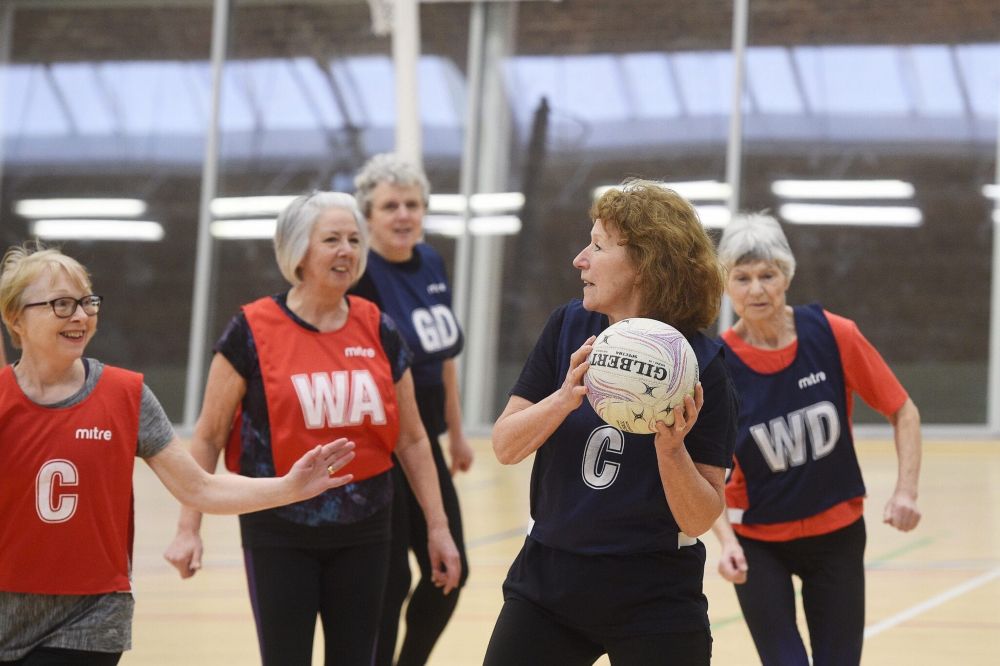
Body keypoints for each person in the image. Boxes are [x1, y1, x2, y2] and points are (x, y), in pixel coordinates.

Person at [0, 243, 357, 665]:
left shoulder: (125, 396)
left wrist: (288, 488)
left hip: (90, 615)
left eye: (86, 302)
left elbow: (200, 488)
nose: (80, 316)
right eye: (61, 305)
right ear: (16, 319)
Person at [162, 192, 461, 666]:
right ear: (298, 250)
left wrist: (438, 528)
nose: (347, 250)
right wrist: (187, 528)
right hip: (278, 524)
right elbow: (209, 435)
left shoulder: (379, 328)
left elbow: (412, 438)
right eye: (332, 240)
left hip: (367, 526)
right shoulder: (250, 329)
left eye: (354, 240)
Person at [483, 179, 739, 666]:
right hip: (550, 580)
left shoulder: (700, 366)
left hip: (654, 591)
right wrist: (563, 398)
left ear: (645, 264)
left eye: (598, 247)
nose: (580, 259)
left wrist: (671, 449)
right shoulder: (568, 328)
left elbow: (699, 518)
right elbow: (505, 446)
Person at [710, 212, 922, 666]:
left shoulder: (833, 334)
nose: (756, 289)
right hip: (757, 541)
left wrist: (906, 490)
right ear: (727, 286)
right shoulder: (718, 366)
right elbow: (701, 465)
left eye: (767, 275)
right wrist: (725, 539)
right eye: (742, 278)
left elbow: (902, 409)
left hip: (837, 534)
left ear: (786, 275)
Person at [351, 153, 472, 666]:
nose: (404, 215)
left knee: (450, 570)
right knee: (392, 578)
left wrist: (458, 432)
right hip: (381, 442)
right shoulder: (360, 275)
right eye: (390, 206)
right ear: (368, 215)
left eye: (413, 205)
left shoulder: (432, 262)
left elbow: (443, 356)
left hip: (426, 438)